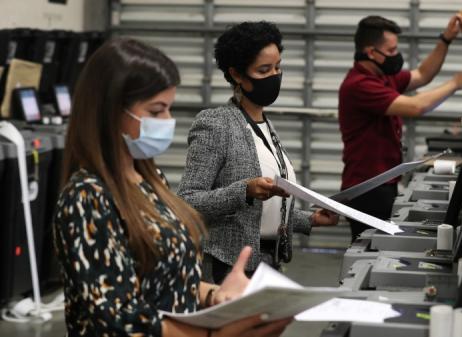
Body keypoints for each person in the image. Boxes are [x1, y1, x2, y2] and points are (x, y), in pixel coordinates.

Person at [53, 37, 291, 336]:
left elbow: (164, 278)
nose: (168, 121)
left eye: (169, 108)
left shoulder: (150, 181)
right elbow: (114, 318)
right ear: (111, 111)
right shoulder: (87, 198)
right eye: (155, 111)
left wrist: (215, 295)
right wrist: (212, 334)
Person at [177, 21, 339, 284]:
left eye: (277, 67)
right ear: (237, 75)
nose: (275, 75)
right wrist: (244, 190)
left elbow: (262, 213)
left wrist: (311, 219)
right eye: (264, 70)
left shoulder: (265, 126)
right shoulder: (216, 123)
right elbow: (187, 201)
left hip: (269, 262)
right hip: (229, 267)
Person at [338, 15, 462, 241]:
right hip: (367, 188)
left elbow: (423, 75)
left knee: (380, 245)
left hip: (384, 182)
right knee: (370, 248)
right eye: (391, 51)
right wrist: (455, 83)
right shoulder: (359, 85)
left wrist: (446, 39)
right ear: (371, 52)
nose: (396, 55)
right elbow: (416, 106)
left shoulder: (383, 76)